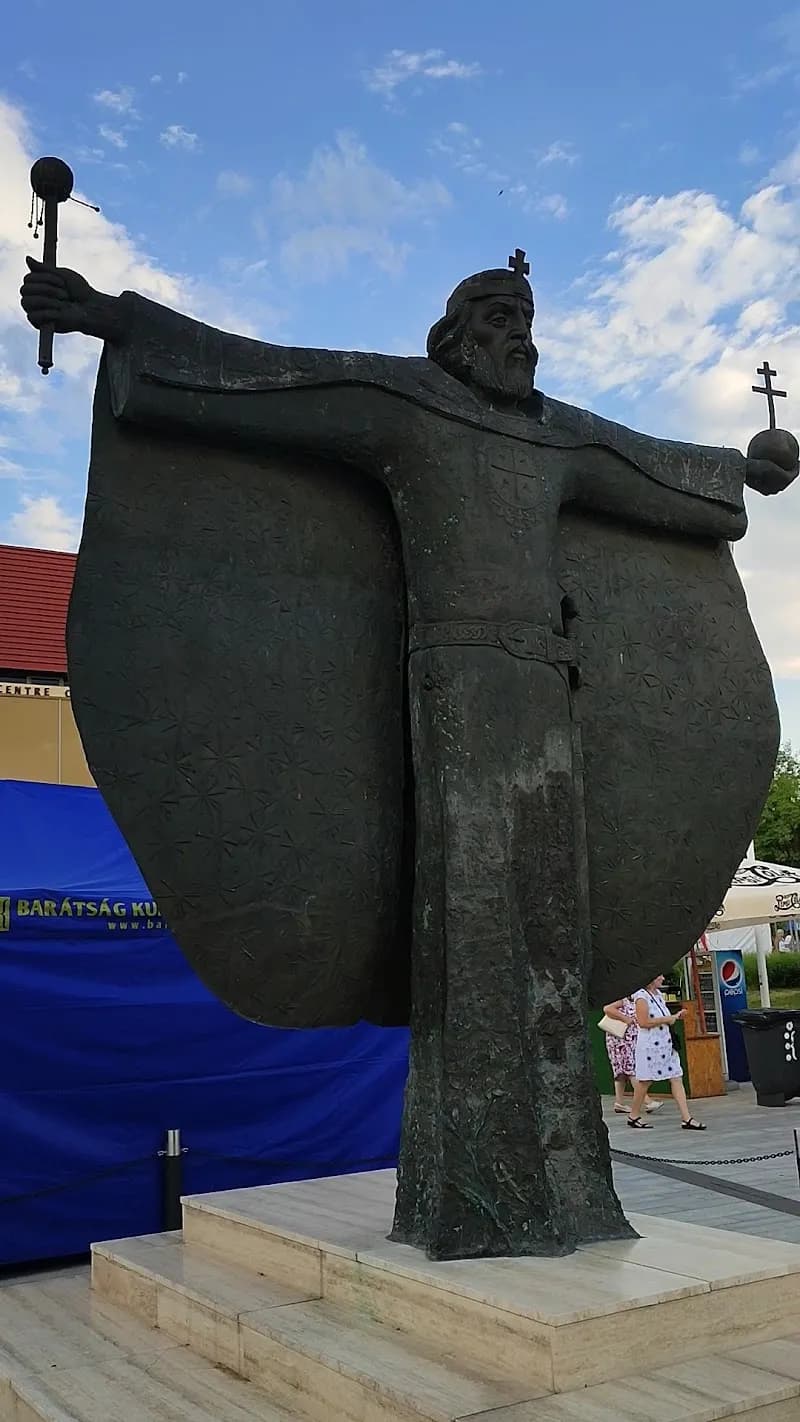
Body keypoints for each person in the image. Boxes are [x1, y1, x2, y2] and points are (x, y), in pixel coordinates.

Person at [627, 976, 706, 1130]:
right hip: (650, 1045)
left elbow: (664, 1017)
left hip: (666, 1044)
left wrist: (675, 1017)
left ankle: (686, 1118)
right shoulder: (641, 997)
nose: (663, 978)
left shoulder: (657, 995)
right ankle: (634, 1114)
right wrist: (667, 1019)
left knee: (676, 1077)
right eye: (659, 976)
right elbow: (643, 1022)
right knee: (645, 1081)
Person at [602, 997, 662, 1114]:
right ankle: (647, 1101)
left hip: (628, 1040)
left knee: (621, 1072)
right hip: (621, 1040)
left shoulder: (633, 1001)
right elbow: (607, 1009)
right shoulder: (622, 999)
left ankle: (619, 1102)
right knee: (631, 1069)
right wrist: (626, 1019)